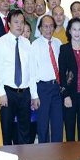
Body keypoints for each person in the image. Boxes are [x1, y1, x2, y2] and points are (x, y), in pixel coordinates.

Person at [0, 9, 32, 145]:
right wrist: (1, 93)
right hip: (8, 92)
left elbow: (30, 71)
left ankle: (24, 159)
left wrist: (33, 94)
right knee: (6, 130)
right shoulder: (0, 42)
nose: (19, 25)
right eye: (16, 22)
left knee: (24, 130)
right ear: (9, 23)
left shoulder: (27, 43)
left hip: (25, 92)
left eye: (22, 22)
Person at [30, 15, 63, 143]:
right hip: (42, 89)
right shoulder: (35, 45)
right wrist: (35, 95)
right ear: (40, 28)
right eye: (45, 26)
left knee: (57, 124)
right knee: (43, 126)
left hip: (57, 88)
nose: (48, 29)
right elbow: (32, 72)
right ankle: (44, 156)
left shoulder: (58, 43)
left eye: (51, 26)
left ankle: (58, 156)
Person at [59, 18, 80, 141]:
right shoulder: (64, 49)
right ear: (69, 31)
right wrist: (65, 95)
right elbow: (61, 74)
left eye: (79, 29)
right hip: (70, 95)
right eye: (74, 29)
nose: (77, 32)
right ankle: (70, 158)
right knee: (70, 130)